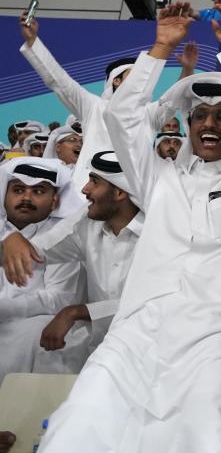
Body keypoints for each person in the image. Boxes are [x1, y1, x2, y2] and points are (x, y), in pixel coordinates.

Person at [33, 2, 221, 453]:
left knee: (201, 441)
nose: (209, 124)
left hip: (218, 336)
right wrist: (160, 48)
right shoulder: (159, 179)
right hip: (139, 332)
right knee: (82, 426)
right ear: (188, 127)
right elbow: (122, 121)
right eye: (200, 116)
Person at [3, 151, 141, 374]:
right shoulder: (87, 222)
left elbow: (147, 304)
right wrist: (12, 241)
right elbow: (39, 250)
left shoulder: (158, 233)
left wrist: (74, 312)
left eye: (94, 182)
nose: (85, 189)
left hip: (145, 345)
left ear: (119, 192)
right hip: (95, 340)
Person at [18, 15, 191, 190]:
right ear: (116, 80)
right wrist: (33, 42)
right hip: (88, 190)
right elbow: (58, 81)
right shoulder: (93, 106)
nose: (140, 80)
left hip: (133, 193)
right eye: (134, 75)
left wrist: (188, 69)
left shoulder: (149, 113)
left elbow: (173, 100)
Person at [0, 158, 83, 381]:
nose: (26, 198)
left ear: (54, 201)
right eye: (18, 190)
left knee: (35, 333)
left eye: (38, 191)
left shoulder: (64, 236)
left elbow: (60, 298)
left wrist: (5, 309)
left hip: (32, 326)